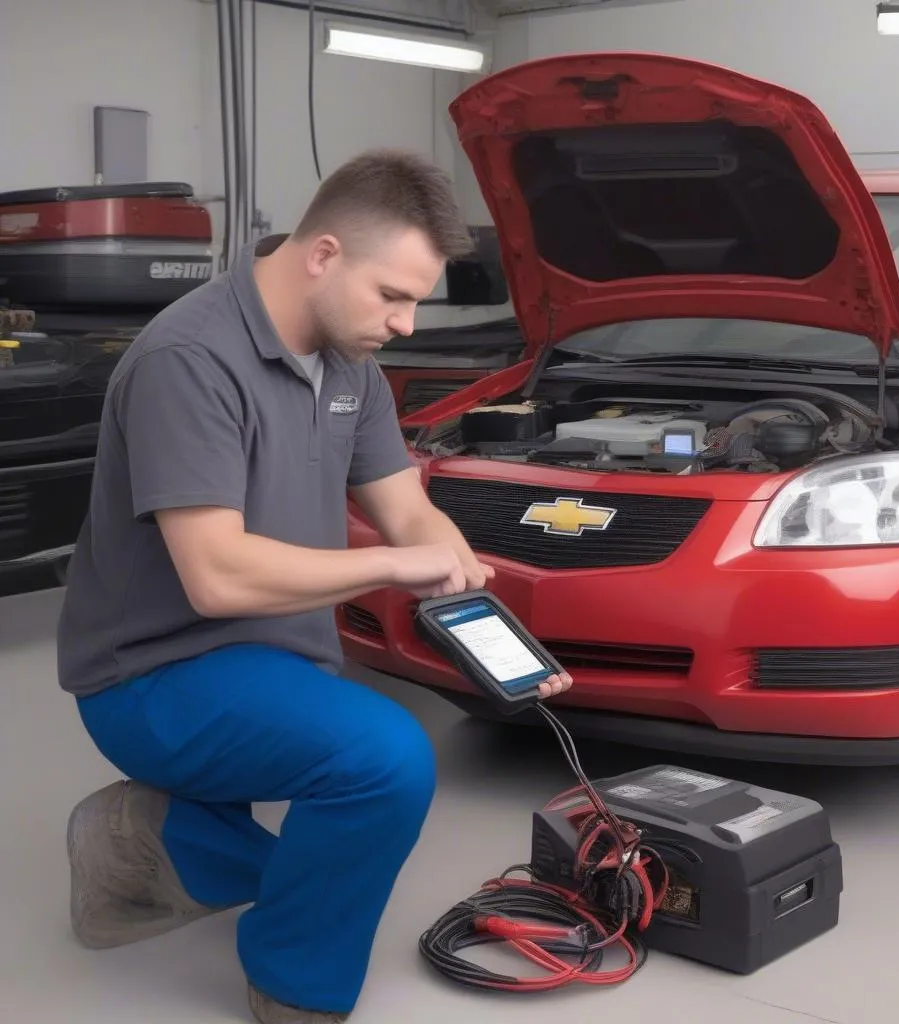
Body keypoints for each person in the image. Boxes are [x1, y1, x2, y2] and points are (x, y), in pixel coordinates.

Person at [56, 149, 573, 1024]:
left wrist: (474, 603)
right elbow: (216, 577)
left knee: (342, 804)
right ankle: (297, 988)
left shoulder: (350, 366)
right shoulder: (188, 359)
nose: (407, 324)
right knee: (384, 761)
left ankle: (160, 839)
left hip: (274, 656)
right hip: (150, 673)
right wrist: (389, 565)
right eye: (393, 296)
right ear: (323, 254)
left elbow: (411, 516)